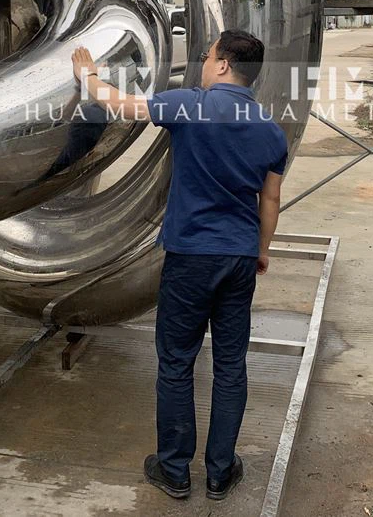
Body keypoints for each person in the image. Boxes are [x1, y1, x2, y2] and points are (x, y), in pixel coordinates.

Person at [71, 29, 287, 501]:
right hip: (238, 257)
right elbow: (269, 198)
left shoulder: (190, 104)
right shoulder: (272, 128)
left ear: (225, 65)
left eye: (209, 57)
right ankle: (219, 472)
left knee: (176, 363)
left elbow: (122, 105)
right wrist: (262, 249)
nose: (205, 64)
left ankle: (173, 470)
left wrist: (88, 76)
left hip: (191, 258)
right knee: (230, 365)